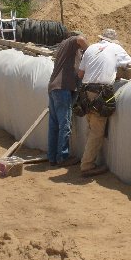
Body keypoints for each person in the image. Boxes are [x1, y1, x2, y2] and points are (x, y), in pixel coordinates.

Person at [77, 28, 131, 177]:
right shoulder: (116, 48)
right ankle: (87, 165)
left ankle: (86, 159)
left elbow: (80, 73)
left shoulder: (90, 48)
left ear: (102, 38)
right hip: (100, 92)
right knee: (97, 130)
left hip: (85, 90)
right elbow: (129, 63)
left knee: (90, 126)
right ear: (113, 40)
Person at [47, 30, 89, 166]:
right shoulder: (70, 42)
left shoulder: (62, 48)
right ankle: (62, 157)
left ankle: (52, 157)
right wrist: (90, 51)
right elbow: (80, 39)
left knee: (54, 125)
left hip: (54, 88)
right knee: (65, 125)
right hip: (62, 88)